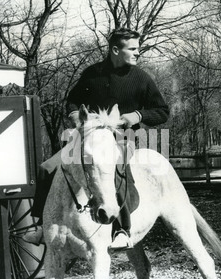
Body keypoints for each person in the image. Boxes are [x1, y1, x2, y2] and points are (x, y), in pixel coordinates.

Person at [23, 27, 169, 250]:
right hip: (89, 139)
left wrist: (137, 115)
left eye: (137, 48)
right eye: (133, 49)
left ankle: (122, 229)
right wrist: (74, 115)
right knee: (47, 167)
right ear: (115, 50)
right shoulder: (93, 73)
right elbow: (72, 100)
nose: (138, 53)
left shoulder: (141, 78)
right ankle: (42, 226)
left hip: (122, 138)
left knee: (117, 173)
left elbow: (162, 111)